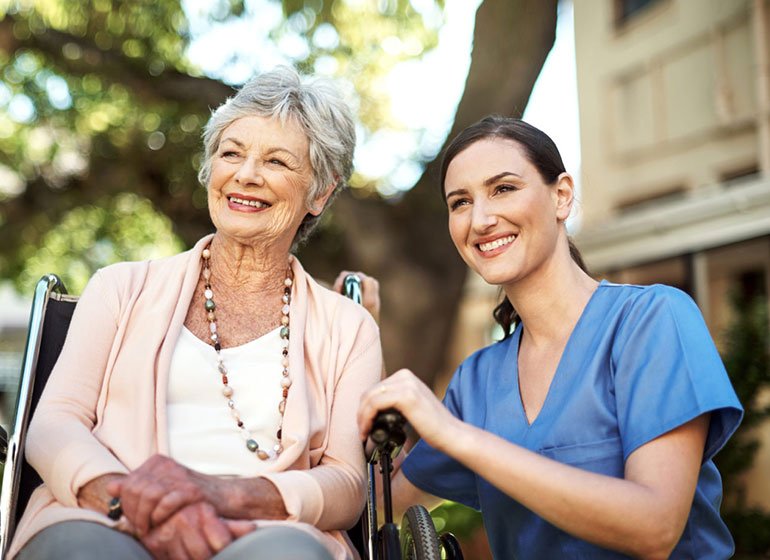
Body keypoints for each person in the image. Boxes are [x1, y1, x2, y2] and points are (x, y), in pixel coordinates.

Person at [10, 66, 383, 560]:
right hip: (107, 518)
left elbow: (346, 482)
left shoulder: (348, 327)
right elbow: (55, 423)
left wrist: (222, 497)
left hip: (267, 534)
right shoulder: (120, 287)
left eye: (276, 161)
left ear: (320, 193)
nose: (245, 174)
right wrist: (134, 503)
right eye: (231, 153)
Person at [357, 115, 743, 559]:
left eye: (503, 188)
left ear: (561, 196)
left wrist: (458, 436)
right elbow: (381, 500)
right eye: (460, 202)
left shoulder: (652, 319)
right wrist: (361, 333)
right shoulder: (478, 381)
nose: (480, 219)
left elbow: (655, 528)